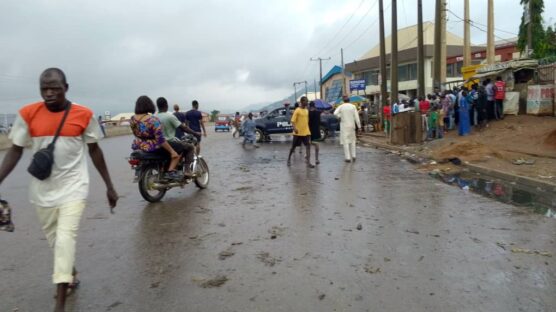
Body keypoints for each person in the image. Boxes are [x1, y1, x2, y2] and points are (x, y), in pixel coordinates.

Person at [0, 68, 118, 312]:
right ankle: (70, 273)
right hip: (42, 191)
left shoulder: (84, 114)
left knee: (65, 239)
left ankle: (60, 305)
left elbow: (95, 150)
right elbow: (15, 150)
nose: (49, 93)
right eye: (44, 88)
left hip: (74, 188)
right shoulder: (27, 114)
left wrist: (109, 186)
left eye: (55, 88)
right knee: (56, 241)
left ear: (67, 87)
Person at [130, 96, 182, 180]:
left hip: (138, 144)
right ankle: (171, 171)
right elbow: (160, 139)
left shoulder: (132, 119)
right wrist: (172, 152)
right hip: (152, 146)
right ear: (149, 105)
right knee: (179, 148)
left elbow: (136, 134)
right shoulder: (153, 120)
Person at [156, 97, 200, 177]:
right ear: (166, 105)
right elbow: (183, 127)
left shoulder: (154, 117)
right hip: (170, 141)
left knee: (180, 146)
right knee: (190, 147)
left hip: (158, 144)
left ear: (158, 106)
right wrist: (195, 133)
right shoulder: (170, 116)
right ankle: (187, 170)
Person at [287, 96, 314, 167]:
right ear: (302, 102)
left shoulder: (306, 110)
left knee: (308, 146)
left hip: (306, 132)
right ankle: (288, 159)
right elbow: (292, 121)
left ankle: (308, 162)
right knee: (293, 147)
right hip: (298, 132)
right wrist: (295, 128)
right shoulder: (297, 110)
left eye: (307, 101)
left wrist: (308, 129)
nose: (307, 102)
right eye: (306, 101)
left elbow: (307, 121)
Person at [334, 96, 361, 162]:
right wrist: (359, 127)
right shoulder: (353, 106)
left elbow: (335, 113)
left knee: (345, 142)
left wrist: (339, 116)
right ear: (349, 100)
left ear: (343, 101)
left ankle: (348, 158)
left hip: (344, 126)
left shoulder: (341, 106)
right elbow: (356, 118)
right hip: (352, 126)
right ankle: (354, 156)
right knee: (353, 141)